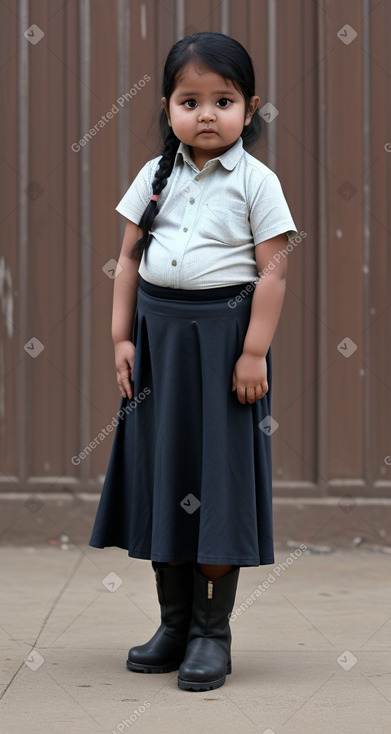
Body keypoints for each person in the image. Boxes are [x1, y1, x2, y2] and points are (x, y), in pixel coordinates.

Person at [89, 31, 297, 692]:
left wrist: (254, 352)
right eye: (190, 100)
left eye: (223, 100)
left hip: (223, 351)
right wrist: (122, 339)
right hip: (158, 348)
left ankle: (212, 633)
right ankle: (173, 624)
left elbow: (273, 272)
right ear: (167, 106)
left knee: (214, 481)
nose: (206, 114)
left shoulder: (257, 182)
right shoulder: (153, 180)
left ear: (249, 107)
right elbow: (126, 261)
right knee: (164, 477)